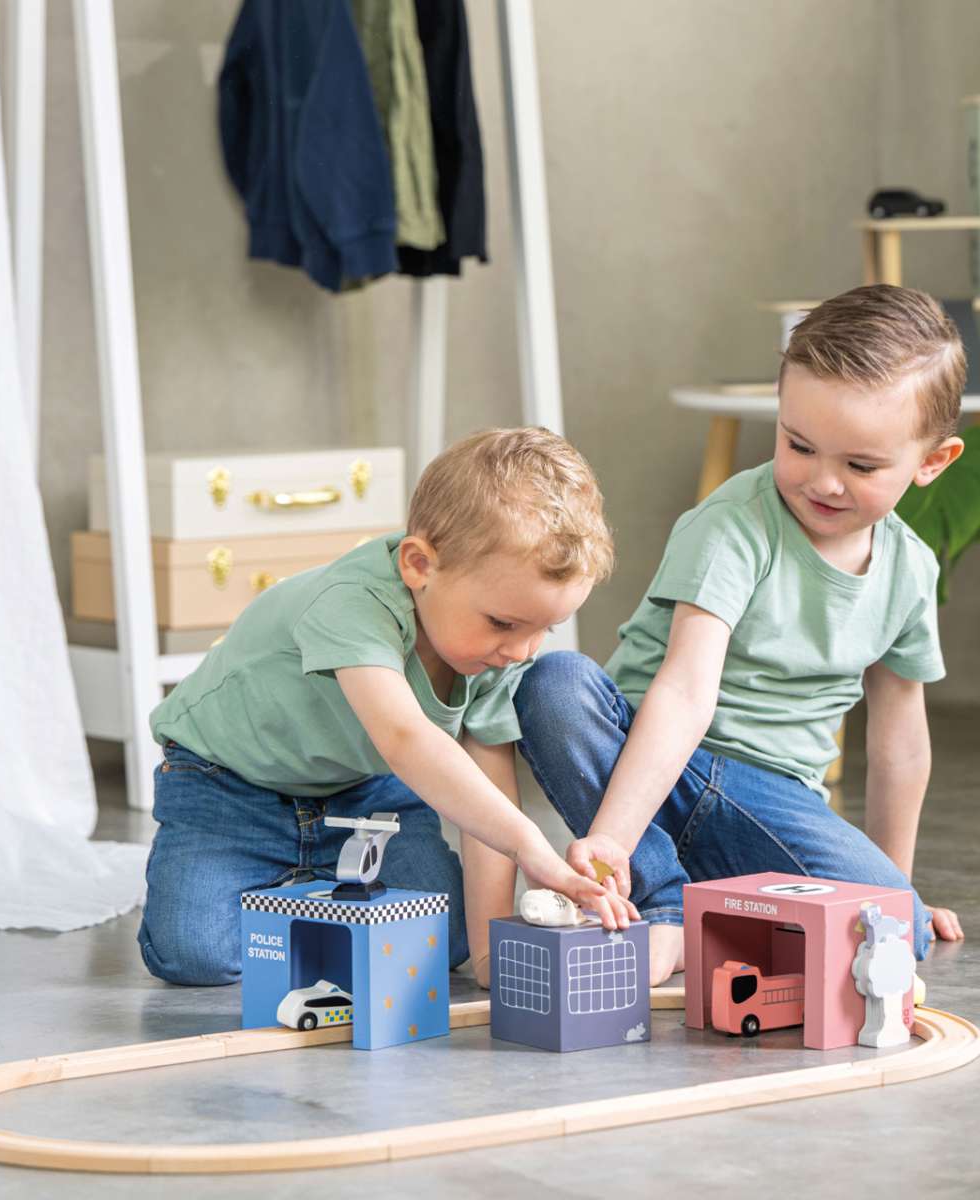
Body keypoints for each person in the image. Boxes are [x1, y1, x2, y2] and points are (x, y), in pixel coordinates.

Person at [514, 284, 968, 986]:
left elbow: (900, 744)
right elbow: (683, 692)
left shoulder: (909, 570)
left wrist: (890, 890)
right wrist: (613, 837)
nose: (823, 482)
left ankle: (715, 904)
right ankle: (661, 896)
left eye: (860, 465)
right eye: (798, 445)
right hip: (645, 761)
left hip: (768, 800)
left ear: (931, 462)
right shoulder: (733, 525)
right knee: (555, 683)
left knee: (890, 931)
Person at [138, 427, 630, 989]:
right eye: (503, 623)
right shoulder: (352, 601)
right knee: (194, 953)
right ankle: (310, 900)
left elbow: (489, 782)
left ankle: (312, 895)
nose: (521, 650)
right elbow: (404, 737)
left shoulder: (501, 647)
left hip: (365, 792)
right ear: (419, 565)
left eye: (546, 628)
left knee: (445, 936)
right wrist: (529, 845)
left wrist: (488, 953)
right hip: (228, 785)